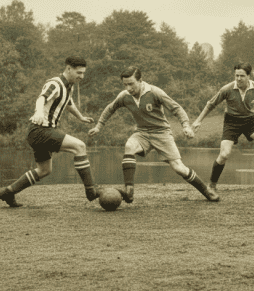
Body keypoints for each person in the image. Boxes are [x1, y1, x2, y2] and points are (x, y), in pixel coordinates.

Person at [88, 66, 219, 203]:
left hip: (161, 133)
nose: (128, 88)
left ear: (140, 81)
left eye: (131, 84)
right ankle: (129, 191)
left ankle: (206, 191)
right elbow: (110, 108)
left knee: (178, 168)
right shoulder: (124, 96)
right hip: (142, 133)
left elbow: (177, 109)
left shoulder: (155, 92)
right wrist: (98, 126)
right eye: (125, 84)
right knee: (129, 146)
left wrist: (186, 126)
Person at [0, 56, 98, 207]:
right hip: (40, 130)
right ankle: (91, 191)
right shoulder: (55, 84)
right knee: (80, 146)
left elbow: (68, 103)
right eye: (79, 73)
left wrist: (81, 117)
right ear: (68, 68)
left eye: (83, 73)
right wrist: (38, 112)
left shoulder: (68, 86)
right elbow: (41, 98)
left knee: (44, 170)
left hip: (38, 133)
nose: (81, 77)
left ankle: (8, 192)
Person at [191, 63, 254, 192]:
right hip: (231, 122)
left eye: (242, 76)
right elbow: (210, 104)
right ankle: (212, 185)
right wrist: (198, 121)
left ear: (248, 76)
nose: (239, 79)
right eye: (236, 76)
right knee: (224, 154)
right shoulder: (227, 89)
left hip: (250, 121)